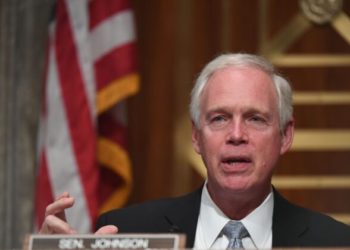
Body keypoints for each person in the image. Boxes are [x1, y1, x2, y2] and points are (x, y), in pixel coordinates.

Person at [40, 53, 350, 248]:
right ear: (196, 137)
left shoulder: (336, 242)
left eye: (255, 119)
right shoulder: (125, 232)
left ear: (285, 135)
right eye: (219, 118)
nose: (237, 135)